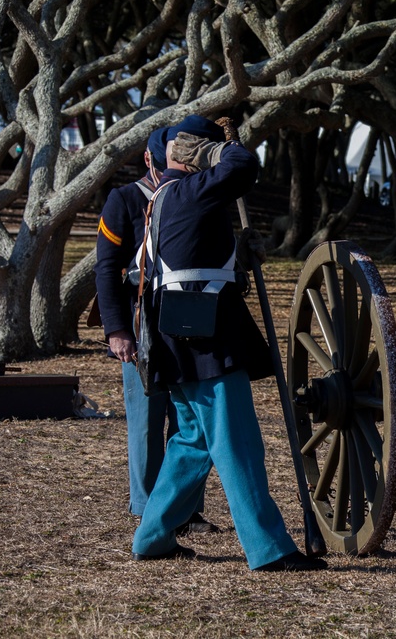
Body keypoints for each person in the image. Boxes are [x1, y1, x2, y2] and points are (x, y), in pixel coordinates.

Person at [130, 115, 325, 571]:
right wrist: (221, 148)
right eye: (204, 153)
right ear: (193, 154)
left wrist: (237, 256)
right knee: (236, 441)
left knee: (192, 440)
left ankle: (152, 537)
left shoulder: (168, 198)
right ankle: (269, 550)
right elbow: (242, 167)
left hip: (181, 330)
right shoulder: (188, 191)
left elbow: (192, 259)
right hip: (203, 337)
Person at [95, 127, 217, 534]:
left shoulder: (195, 194)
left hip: (187, 319)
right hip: (141, 321)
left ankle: (185, 507)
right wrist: (117, 330)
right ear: (150, 160)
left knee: (188, 421)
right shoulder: (124, 199)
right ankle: (147, 509)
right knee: (148, 420)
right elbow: (108, 269)